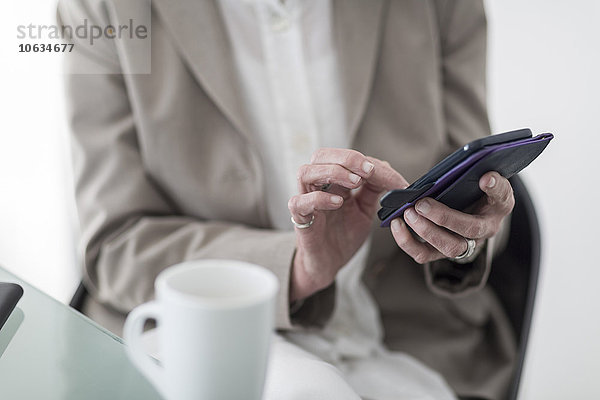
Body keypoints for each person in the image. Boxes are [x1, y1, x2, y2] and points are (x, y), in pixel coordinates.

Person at [59, 0, 517, 398]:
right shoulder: (102, 11)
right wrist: (294, 269)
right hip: (207, 334)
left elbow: (476, 182)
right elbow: (116, 242)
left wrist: (466, 228)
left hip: (409, 340)